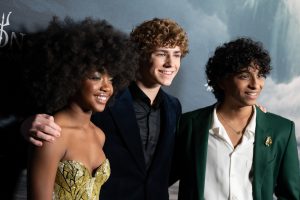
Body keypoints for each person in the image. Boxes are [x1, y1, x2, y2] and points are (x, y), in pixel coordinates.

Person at [21, 18, 189, 200]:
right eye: (162, 53)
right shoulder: (104, 100)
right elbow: (58, 124)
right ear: (140, 54)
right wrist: (26, 125)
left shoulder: (174, 107)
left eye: (177, 54)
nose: (171, 63)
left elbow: (167, 168)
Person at [172, 37, 300, 200]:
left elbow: (291, 195)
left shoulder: (281, 130)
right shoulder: (188, 125)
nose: (256, 84)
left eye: (260, 75)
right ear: (222, 81)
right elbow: (160, 178)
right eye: (244, 76)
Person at [24, 17, 138, 199]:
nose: (107, 87)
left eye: (111, 79)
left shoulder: (99, 134)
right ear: (70, 76)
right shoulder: (51, 134)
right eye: (95, 77)